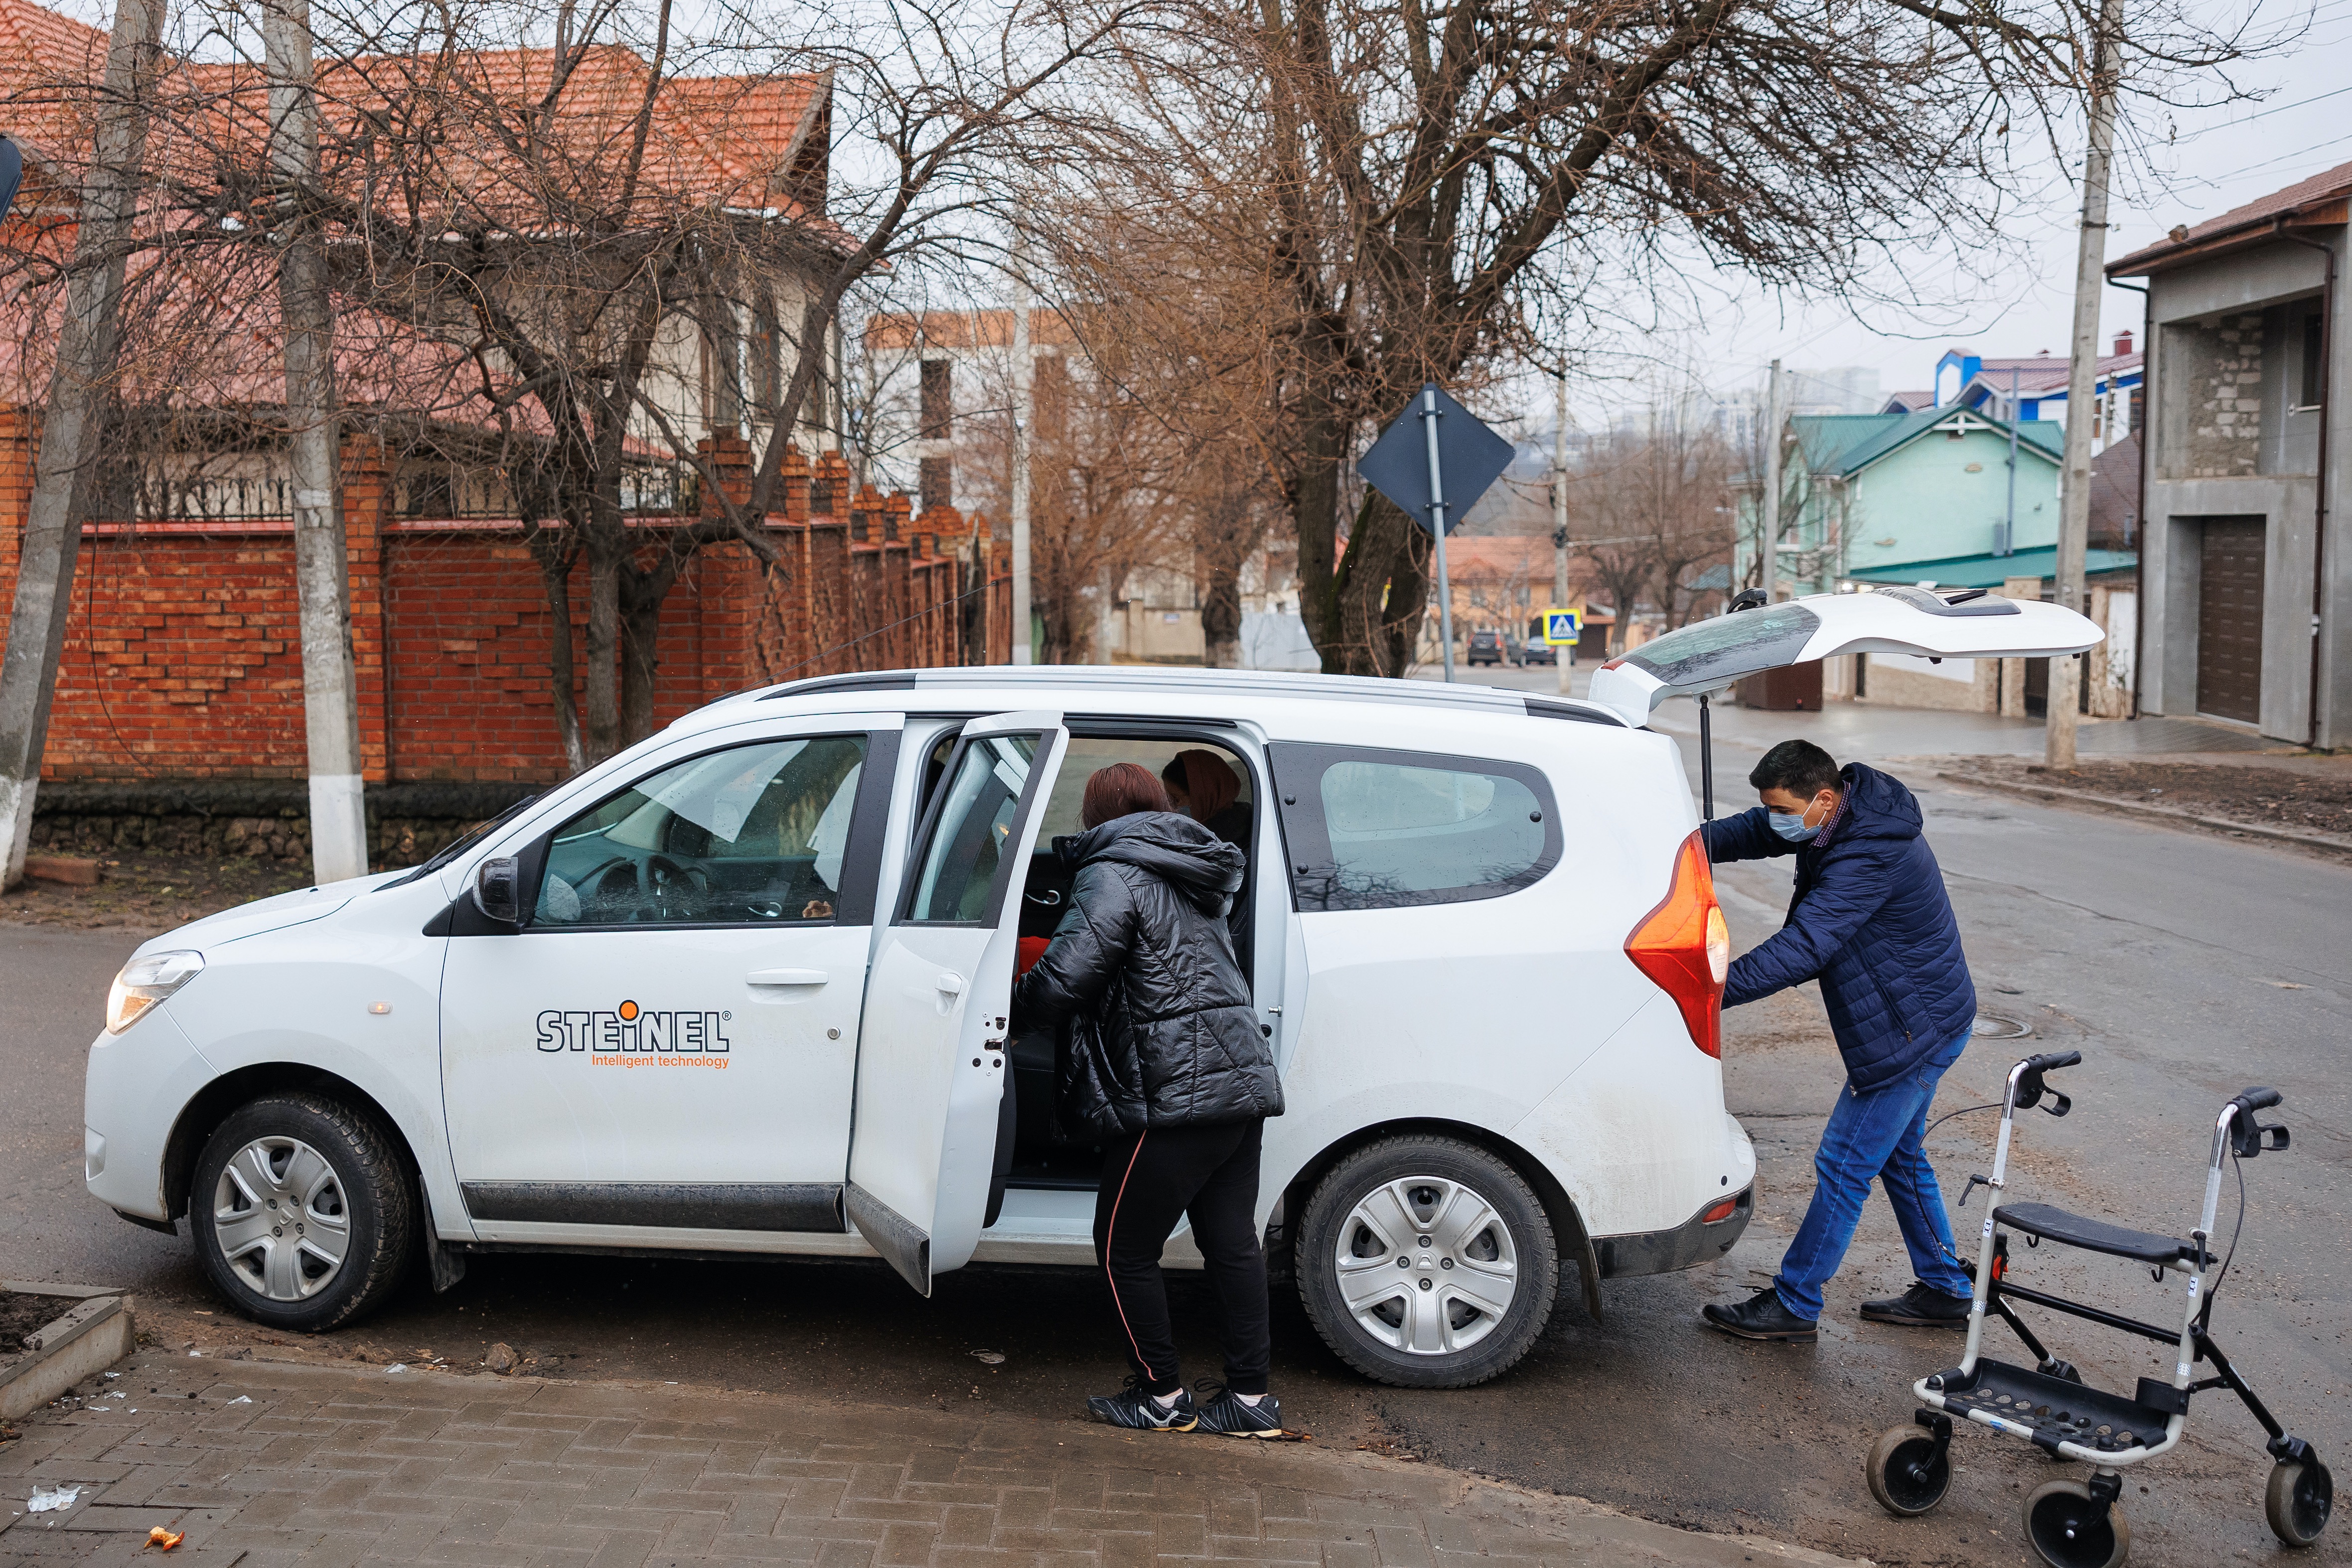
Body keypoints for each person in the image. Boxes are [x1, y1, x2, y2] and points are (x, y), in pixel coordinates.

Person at [1011, 762, 1288, 1434]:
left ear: (1094, 813)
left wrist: (1006, 1004)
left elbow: (1067, 977)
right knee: (1231, 1243)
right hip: (1238, 1082)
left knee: (1120, 1248)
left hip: (1175, 1094)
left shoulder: (1112, 870)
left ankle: (1162, 1395)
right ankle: (1251, 1399)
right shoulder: (1190, 866)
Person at [1699, 739, 1979, 1343]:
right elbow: (1756, 831)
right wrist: (1686, 847)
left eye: (1782, 808)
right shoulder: (1837, 820)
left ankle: (1796, 1301)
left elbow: (1807, 945)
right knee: (1899, 1159)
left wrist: (1710, 989)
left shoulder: (1869, 853)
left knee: (1844, 1162)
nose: (1774, 818)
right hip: (1925, 1017)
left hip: (1912, 1031)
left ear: (1823, 799)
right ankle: (1947, 1288)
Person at [1162, 749, 1251, 848]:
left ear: (1205, 797)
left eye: (1176, 799)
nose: (1170, 805)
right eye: (1167, 797)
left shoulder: (1233, 846)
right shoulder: (1192, 834)